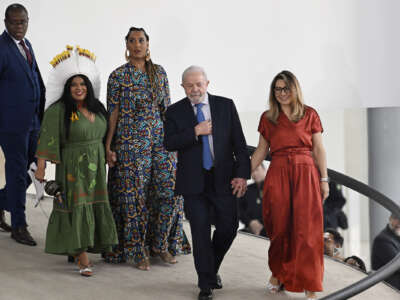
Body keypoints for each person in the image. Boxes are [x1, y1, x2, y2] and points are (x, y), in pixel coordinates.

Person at [104, 27, 190, 270]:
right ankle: (137, 249)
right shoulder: (118, 76)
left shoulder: (159, 73)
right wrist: (108, 146)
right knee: (134, 199)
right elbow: (113, 113)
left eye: (141, 40)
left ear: (148, 43)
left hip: (161, 141)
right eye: (132, 41)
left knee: (171, 192)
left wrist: (177, 142)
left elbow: (168, 110)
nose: (137, 44)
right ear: (127, 45)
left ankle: (160, 244)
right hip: (130, 143)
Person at [164, 65, 251, 300]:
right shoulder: (174, 111)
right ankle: (205, 284)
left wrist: (242, 174)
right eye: (189, 85)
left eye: (198, 84)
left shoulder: (225, 105)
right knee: (200, 232)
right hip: (193, 182)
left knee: (228, 228)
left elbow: (240, 146)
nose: (195, 89)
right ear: (183, 86)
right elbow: (169, 142)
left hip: (223, 179)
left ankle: (210, 269)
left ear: (207, 84)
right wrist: (196, 131)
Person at [34, 46, 118, 276]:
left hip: (96, 167)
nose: (79, 88)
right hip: (72, 167)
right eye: (74, 85)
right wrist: (41, 169)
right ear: (67, 88)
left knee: (94, 205)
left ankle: (86, 246)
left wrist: (108, 152)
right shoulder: (57, 111)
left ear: (88, 87)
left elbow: (104, 135)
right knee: (76, 206)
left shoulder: (97, 108)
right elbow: (46, 140)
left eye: (82, 84)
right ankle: (81, 257)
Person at [250, 70, 329, 300]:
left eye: (286, 88)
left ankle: (310, 283)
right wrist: (241, 174)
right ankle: (277, 274)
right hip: (278, 172)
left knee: (307, 230)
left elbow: (319, 149)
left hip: (306, 173)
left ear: (295, 89)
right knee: (279, 227)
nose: (282, 93)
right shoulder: (268, 118)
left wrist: (324, 179)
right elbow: (261, 151)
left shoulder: (310, 114)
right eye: (277, 89)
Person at [0, 3, 46, 245]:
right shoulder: (1, 48)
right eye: (14, 22)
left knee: (34, 167)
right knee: (18, 173)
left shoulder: (27, 45)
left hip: (33, 121)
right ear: (5, 22)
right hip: (11, 124)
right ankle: (19, 225)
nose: (19, 26)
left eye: (23, 22)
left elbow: (34, 79)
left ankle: (0, 202)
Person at [371, 214, 400, 290]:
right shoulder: (383, 240)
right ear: (390, 219)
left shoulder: (395, 237)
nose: (399, 222)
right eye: (397, 218)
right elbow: (397, 266)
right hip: (390, 288)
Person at [238, 163, 267, 236]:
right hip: (249, 229)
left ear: (264, 170)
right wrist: (250, 222)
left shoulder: (276, 188)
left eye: (257, 170)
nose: (254, 173)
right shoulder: (247, 190)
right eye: (252, 171)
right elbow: (238, 209)